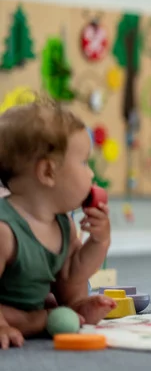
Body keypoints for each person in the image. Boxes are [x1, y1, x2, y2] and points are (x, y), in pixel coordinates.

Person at [0, 100, 116, 349]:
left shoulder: (63, 224)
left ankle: (66, 313)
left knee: (60, 299)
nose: (91, 175)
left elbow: (72, 275)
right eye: (84, 163)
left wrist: (99, 240)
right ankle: (37, 320)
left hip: (32, 304)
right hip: (6, 309)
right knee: (36, 312)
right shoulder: (4, 230)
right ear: (48, 172)